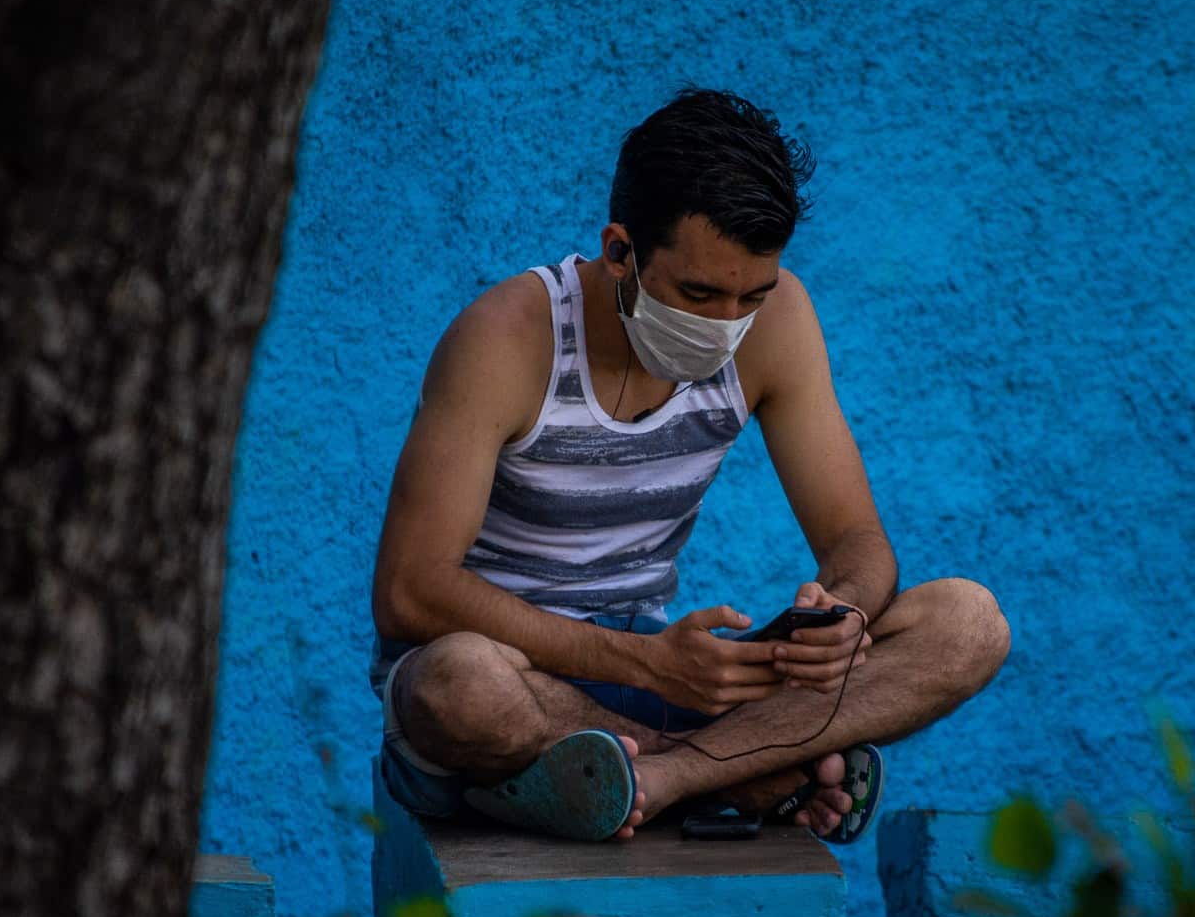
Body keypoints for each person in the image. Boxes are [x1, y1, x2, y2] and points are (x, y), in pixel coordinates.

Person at [368, 88, 1010, 843]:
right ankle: (746, 775)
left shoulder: (778, 322)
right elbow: (410, 592)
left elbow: (856, 540)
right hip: (520, 673)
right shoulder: (506, 339)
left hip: (664, 678)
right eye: (698, 293)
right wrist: (644, 665)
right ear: (620, 253)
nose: (725, 324)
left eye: (751, 296)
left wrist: (845, 614)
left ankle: (665, 778)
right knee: (458, 687)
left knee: (967, 623)